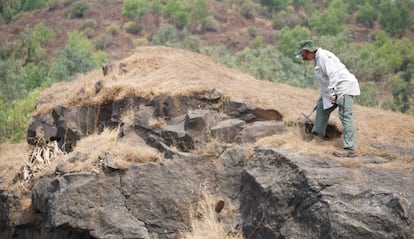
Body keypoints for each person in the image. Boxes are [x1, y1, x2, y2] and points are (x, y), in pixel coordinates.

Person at [295, 40, 361, 157]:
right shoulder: (318, 59)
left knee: (345, 116)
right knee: (321, 109)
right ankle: (317, 138)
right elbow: (325, 81)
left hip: (344, 88)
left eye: (302, 54)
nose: (302, 56)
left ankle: (349, 149)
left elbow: (334, 74)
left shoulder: (325, 57)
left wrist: (332, 93)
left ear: (309, 51)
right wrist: (321, 96)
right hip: (335, 90)